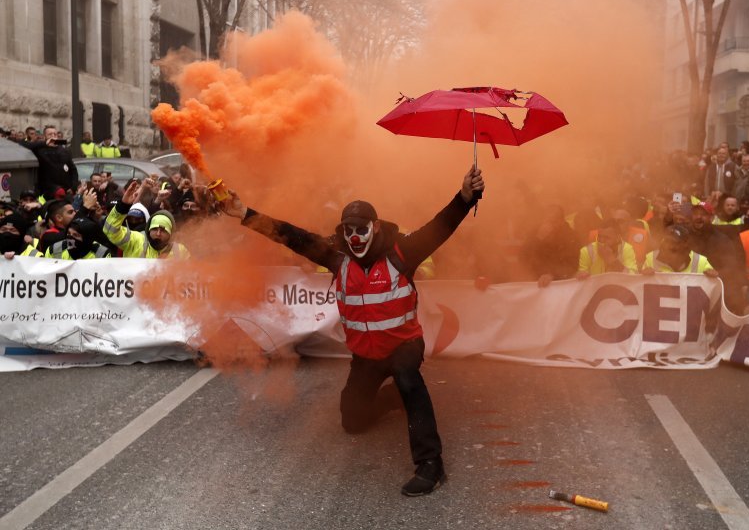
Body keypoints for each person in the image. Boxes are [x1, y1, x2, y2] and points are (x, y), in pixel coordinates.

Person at [220, 166, 485, 496]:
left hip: (403, 345)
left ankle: (430, 463)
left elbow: (439, 228)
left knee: (407, 377)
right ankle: (390, 400)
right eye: (347, 230)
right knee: (352, 421)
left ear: (375, 227)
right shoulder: (338, 257)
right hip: (366, 355)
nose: (354, 237)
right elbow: (293, 237)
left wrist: (465, 197)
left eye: (361, 229)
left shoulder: (402, 252)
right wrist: (245, 213)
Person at [103, 179, 189, 259]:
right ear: (148, 229)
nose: (158, 234)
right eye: (154, 229)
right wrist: (123, 205)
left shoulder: (181, 251)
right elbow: (110, 231)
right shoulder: (135, 241)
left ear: (171, 233)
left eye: (163, 230)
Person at [21, 125, 79, 200]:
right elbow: (23, 145)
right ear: (44, 137)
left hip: (65, 192)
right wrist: (44, 143)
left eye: (55, 134)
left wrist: (73, 187)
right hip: (47, 192)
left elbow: (73, 170)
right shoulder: (40, 150)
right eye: (50, 134)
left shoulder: (65, 151)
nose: (53, 136)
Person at [641, 225, 717, 276]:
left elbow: (713, 289)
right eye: (667, 241)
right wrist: (643, 277)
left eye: (674, 243)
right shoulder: (651, 258)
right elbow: (639, 288)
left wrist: (712, 277)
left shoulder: (700, 261)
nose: (669, 246)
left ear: (685, 244)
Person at [45, 217, 112, 259]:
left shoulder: (102, 254)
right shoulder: (54, 250)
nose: (70, 237)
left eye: (75, 235)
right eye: (68, 233)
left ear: (87, 239)